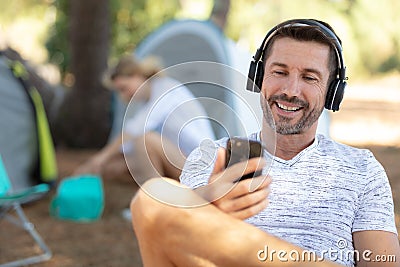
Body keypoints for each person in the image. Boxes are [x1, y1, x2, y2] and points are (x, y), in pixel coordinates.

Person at [170, 18, 399, 266]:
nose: (291, 90)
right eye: (279, 72)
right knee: (148, 204)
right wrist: (208, 205)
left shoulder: (363, 169)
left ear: (333, 91)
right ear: (259, 77)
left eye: (309, 78)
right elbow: (173, 245)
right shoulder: (212, 156)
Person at [75, 55, 215, 184]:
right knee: (122, 164)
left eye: (124, 88)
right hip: (184, 160)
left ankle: (156, 201)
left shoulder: (165, 88)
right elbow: (126, 146)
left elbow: (135, 130)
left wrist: (101, 158)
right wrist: (103, 163)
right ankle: (153, 197)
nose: (123, 95)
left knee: (143, 141)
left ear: (138, 75)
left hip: (204, 166)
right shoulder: (147, 102)